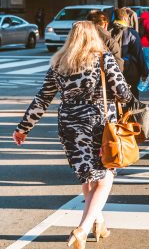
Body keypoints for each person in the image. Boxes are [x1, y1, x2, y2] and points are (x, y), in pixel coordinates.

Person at [13, 21, 134, 249]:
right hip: (98, 124)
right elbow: (123, 93)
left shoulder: (59, 63)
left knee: (88, 176)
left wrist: (23, 128)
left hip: (69, 126)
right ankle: (83, 228)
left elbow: (42, 99)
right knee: (105, 177)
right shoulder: (103, 58)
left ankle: (98, 223)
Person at [111, 8, 148, 99]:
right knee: (132, 97)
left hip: (112, 71)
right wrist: (145, 72)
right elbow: (139, 54)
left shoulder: (109, 32)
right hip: (130, 72)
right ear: (125, 19)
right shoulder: (132, 33)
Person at [138, 11, 149, 91]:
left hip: (140, 44)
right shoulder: (147, 21)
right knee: (147, 61)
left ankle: (141, 80)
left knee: (141, 60)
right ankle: (145, 80)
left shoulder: (140, 21)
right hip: (146, 44)